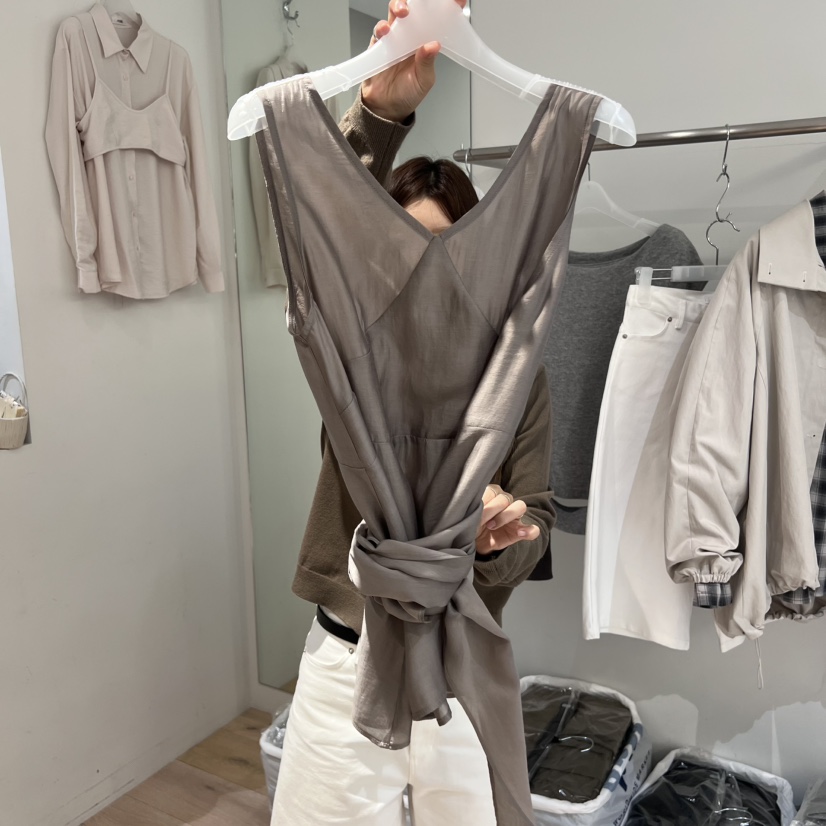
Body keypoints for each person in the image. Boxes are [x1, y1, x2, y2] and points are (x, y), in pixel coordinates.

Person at [271, 2, 556, 824]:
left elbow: (536, 520)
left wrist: (493, 537)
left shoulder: (516, 375)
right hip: (347, 656)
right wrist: (378, 112)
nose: (422, 274)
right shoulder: (353, 355)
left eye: (442, 252)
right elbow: (328, 227)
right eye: (402, 251)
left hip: (462, 666)